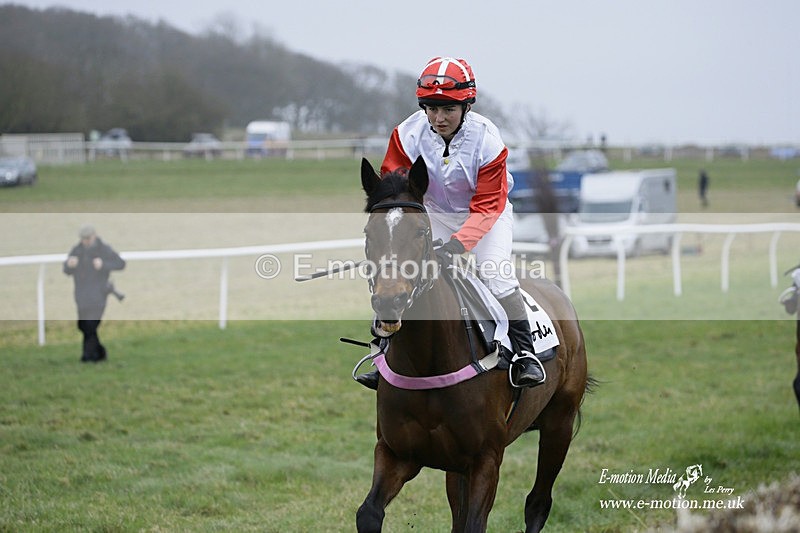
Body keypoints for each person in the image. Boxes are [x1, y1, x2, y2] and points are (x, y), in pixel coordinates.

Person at [356, 56, 545, 389]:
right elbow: (396, 188)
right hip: (432, 215)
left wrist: (459, 245)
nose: (439, 118)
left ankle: (525, 355)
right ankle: (383, 349)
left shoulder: (487, 140)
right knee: (402, 270)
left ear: (466, 106)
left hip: (487, 215)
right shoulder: (406, 134)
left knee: (493, 274)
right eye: (431, 109)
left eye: (448, 109)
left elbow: (487, 204)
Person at [63, 225, 125, 362]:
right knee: (83, 325)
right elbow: (66, 270)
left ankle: (88, 357)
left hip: (99, 294)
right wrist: (69, 265)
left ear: (94, 236)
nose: (85, 241)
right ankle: (100, 352)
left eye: (88, 238)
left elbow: (120, 264)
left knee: (90, 325)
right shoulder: (77, 250)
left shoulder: (104, 249)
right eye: (83, 239)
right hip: (81, 295)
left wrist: (103, 265)